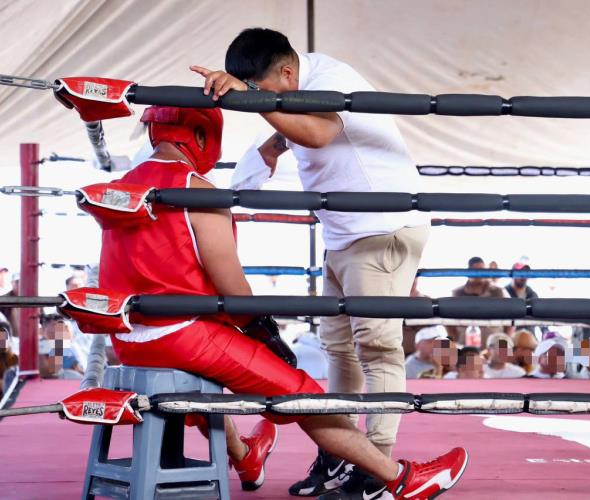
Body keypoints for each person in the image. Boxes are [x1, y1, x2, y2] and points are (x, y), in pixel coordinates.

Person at [98, 105, 466, 499]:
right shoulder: (198, 193)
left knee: (203, 381)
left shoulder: (121, 190)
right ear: (202, 136)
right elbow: (235, 296)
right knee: (302, 393)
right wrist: (264, 332)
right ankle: (399, 478)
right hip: (184, 337)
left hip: (127, 339)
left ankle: (245, 456)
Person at [192, 28, 434, 498]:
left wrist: (256, 101)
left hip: (382, 228)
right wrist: (261, 160)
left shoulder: (330, 78)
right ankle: (342, 454)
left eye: (262, 91)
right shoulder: (291, 90)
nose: (258, 101)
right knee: (338, 347)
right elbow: (288, 135)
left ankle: (375, 466)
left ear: (286, 71)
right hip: (343, 232)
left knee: (377, 346)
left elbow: (320, 132)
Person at [450, 257, 506, 345]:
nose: (480, 274)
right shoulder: (457, 293)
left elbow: (511, 316)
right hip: (466, 347)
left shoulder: (498, 292)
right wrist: (455, 342)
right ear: (468, 272)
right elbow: (448, 320)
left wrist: (505, 341)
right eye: (477, 270)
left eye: (483, 270)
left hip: (495, 346)